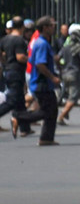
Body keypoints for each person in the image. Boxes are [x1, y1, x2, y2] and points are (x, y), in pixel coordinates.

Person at [11, 16, 60, 146]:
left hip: (43, 83)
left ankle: (46, 138)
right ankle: (18, 117)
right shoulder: (42, 43)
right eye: (51, 25)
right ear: (45, 28)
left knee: (52, 110)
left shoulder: (42, 42)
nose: (53, 28)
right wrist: (52, 77)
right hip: (41, 82)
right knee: (46, 111)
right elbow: (40, 64)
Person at [0, 16, 34, 137]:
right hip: (16, 72)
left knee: (20, 101)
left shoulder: (4, 39)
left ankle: (25, 128)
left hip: (8, 71)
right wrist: (31, 59)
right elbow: (20, 57)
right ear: (22, 27)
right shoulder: (19, 40)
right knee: (12, 101)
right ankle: (23, 125)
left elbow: (2, 55)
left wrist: (6, 62)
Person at [56, 23, 80, 125]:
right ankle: (61, 116)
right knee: (73, 98)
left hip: (65, 73)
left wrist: (60, 68)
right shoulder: (79, 47)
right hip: (74, 73)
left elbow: (57, 58)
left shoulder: (66, 46)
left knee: (68, 95)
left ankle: (65, 113)